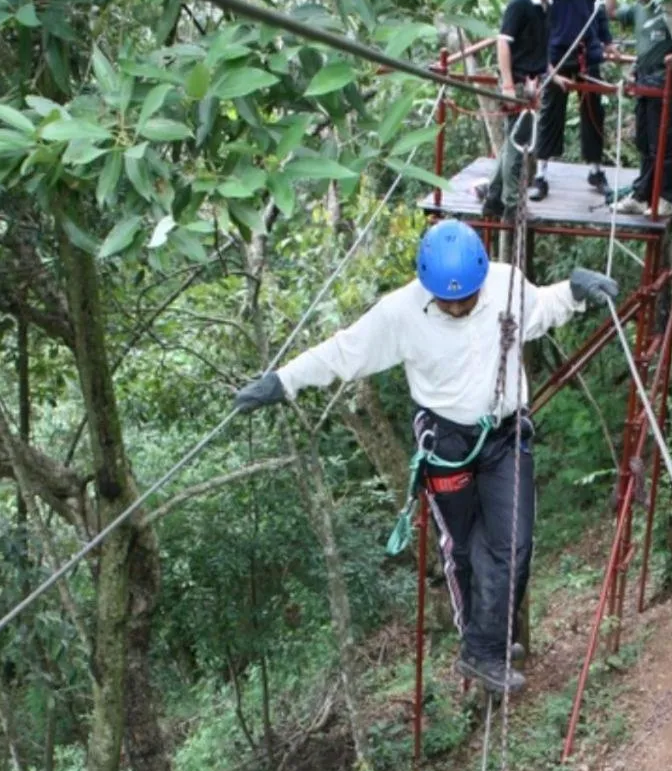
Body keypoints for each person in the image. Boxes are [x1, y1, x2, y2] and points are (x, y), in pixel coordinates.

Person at [232, 220, 619, 693]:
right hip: (446, 441)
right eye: (446, 299)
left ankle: (483, 644)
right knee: (464, 547)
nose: (457, 307)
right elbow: (344, 351)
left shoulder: (504, 285)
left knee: (513, 542)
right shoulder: (401, 313)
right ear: (426, 288)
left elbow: (540, 309)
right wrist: (284, 381)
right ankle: (484, 643)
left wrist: (577, 289)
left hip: (502, 435)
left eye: (466, 297)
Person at [478, 0, 569, 221]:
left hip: (533, 82)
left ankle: (494, 199)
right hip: (517, 83)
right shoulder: (519, 4)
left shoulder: (548, 7)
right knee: (518, 147)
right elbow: (503, 42)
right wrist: (508, 85)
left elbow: (539, 49)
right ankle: (513, 206)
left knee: (512, 144)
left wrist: (551, 74)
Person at [605, 0, 672, 217]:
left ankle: (665, 197)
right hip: (643, 79)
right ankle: (642, 196)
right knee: (645, 141)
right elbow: (612, 12)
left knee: (663, 141)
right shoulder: (638, 9)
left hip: (662, 80)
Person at [538, 0, 614, 198]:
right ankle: (541, 175)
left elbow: (599, 12)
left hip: (586, 53)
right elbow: (538, 19)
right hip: (558, 56)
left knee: (593, 112)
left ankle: (595, 170)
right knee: (551, 113)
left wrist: (607, 41)